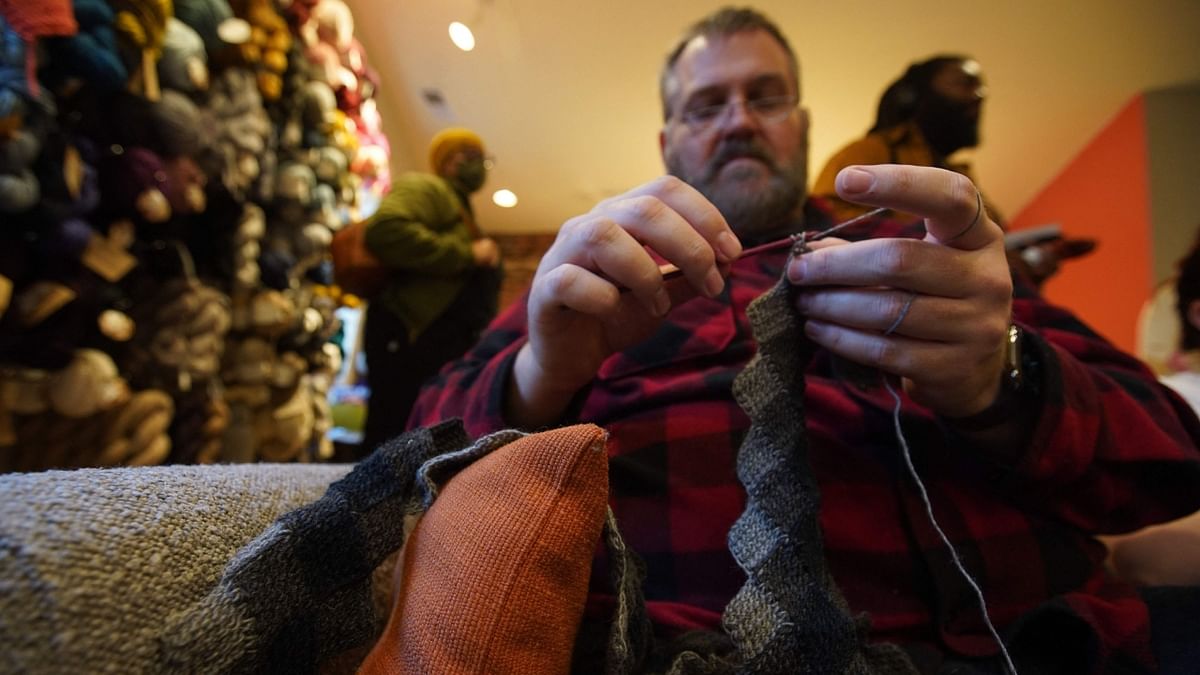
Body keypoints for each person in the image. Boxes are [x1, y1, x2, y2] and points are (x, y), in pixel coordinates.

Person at [410, 8, 1200, 672]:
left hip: (1038, 641)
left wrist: (1002, 377)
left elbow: (1170, 459)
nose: (740, 120)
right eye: (706, 103)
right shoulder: (595, 274)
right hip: (671, 648)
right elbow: (420, 453)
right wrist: (541, 373)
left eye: (767, 97)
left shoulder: (931, 252)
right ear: (667, 143)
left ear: (805, 124)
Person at [813, 55, 1095, 289]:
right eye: (965, 84)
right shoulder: (868, 153)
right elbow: (825, 226)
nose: (980, 96)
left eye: (981, 87)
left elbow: (992, 261)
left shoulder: (967, 183)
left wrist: (1030, 264)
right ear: (912, 97)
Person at [360, 127, 502, 451]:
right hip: (408, 336)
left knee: (417, 441)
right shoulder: (429, 188)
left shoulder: (462, 210)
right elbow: (386, 230)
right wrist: (469, 254)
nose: (479, 165)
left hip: (437, 346)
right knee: (389, 433)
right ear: (448, 161)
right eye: (470, 156)